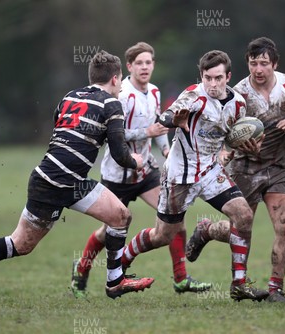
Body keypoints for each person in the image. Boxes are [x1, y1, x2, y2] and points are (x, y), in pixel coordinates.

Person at [0, 50, 155, 307]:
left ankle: (114, 281)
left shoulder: (70, 96)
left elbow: (61, 126)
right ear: (116, 79)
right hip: (61, 181)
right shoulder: (111, 104)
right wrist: (136, 161)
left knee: (117, 216)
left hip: (53, 178)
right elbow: (120, 155)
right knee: (23, 243)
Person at [117, 50, 269, 302]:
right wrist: (174, 120)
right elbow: (167, 116)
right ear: (201, 76)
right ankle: (121, 260)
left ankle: (239, 284)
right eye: (207, 77)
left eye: (218, 78)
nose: (212, 83)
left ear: (228, 76)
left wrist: (245, 146)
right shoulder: (193, 96)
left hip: (210, 172)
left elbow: (236, 136)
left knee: (244, 216)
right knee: (163, 236)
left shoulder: (238, 103)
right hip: (180, 176)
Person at [70, 42, 211, 298]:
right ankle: (81, 268)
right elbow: (115, 133)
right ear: (130, 67)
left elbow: (160, 125)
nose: (145, 67)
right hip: (117, 175)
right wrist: (147, 132)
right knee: (107, 232)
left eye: (149, 62)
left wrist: (166, 150)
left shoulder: (155, 92)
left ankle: (181, 279)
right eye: (139, 63)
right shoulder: (121, 95)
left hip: (146, 172)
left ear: (153, 65)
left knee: (175, 217)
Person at [185, 37, 285, 303]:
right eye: (253, 63)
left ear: (274, 64)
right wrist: (231, 151)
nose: (258, 69)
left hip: (280, 165)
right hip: (245, 166)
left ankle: (276, 289)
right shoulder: (238, 93)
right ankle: (207, 230)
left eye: (264, 63)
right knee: (240, 228)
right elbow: (225, 134)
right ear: (247, 64)